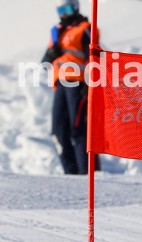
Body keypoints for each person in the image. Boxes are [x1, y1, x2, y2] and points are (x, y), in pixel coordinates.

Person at [42, 0, 91, 175]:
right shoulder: (56, 32)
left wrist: (90, 83)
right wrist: (51, 53)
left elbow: (94, 58)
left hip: (77, 84)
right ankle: (70, 173)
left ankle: (85, 173)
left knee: (77, 130)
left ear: (76, 8)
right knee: (58, 131)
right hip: (60, 85)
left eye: (68, 9)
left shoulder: (84, 28)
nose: (64, 13)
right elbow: (45, 63)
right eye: (60, 10)